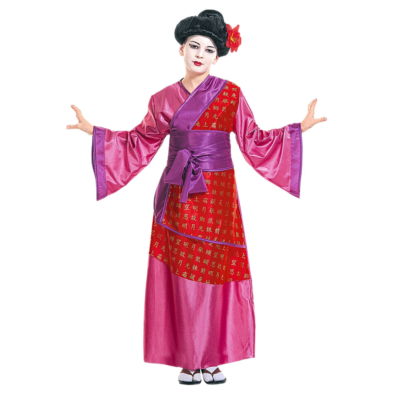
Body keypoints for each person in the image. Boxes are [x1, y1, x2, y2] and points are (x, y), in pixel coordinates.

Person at [67, 9, 326, 385]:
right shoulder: (162, 98)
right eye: (194, 46)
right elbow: (139, 140)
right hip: (180, 196)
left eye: (209, 49)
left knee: (215, 272)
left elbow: (254, 139)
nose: (200, 54)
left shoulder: (231, 94)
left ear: (217, 56)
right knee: (183, 276)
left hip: (218, 196)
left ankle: (214, 357)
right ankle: (189, 359)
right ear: (181, 50)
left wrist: (300, 128)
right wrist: (94, 131)